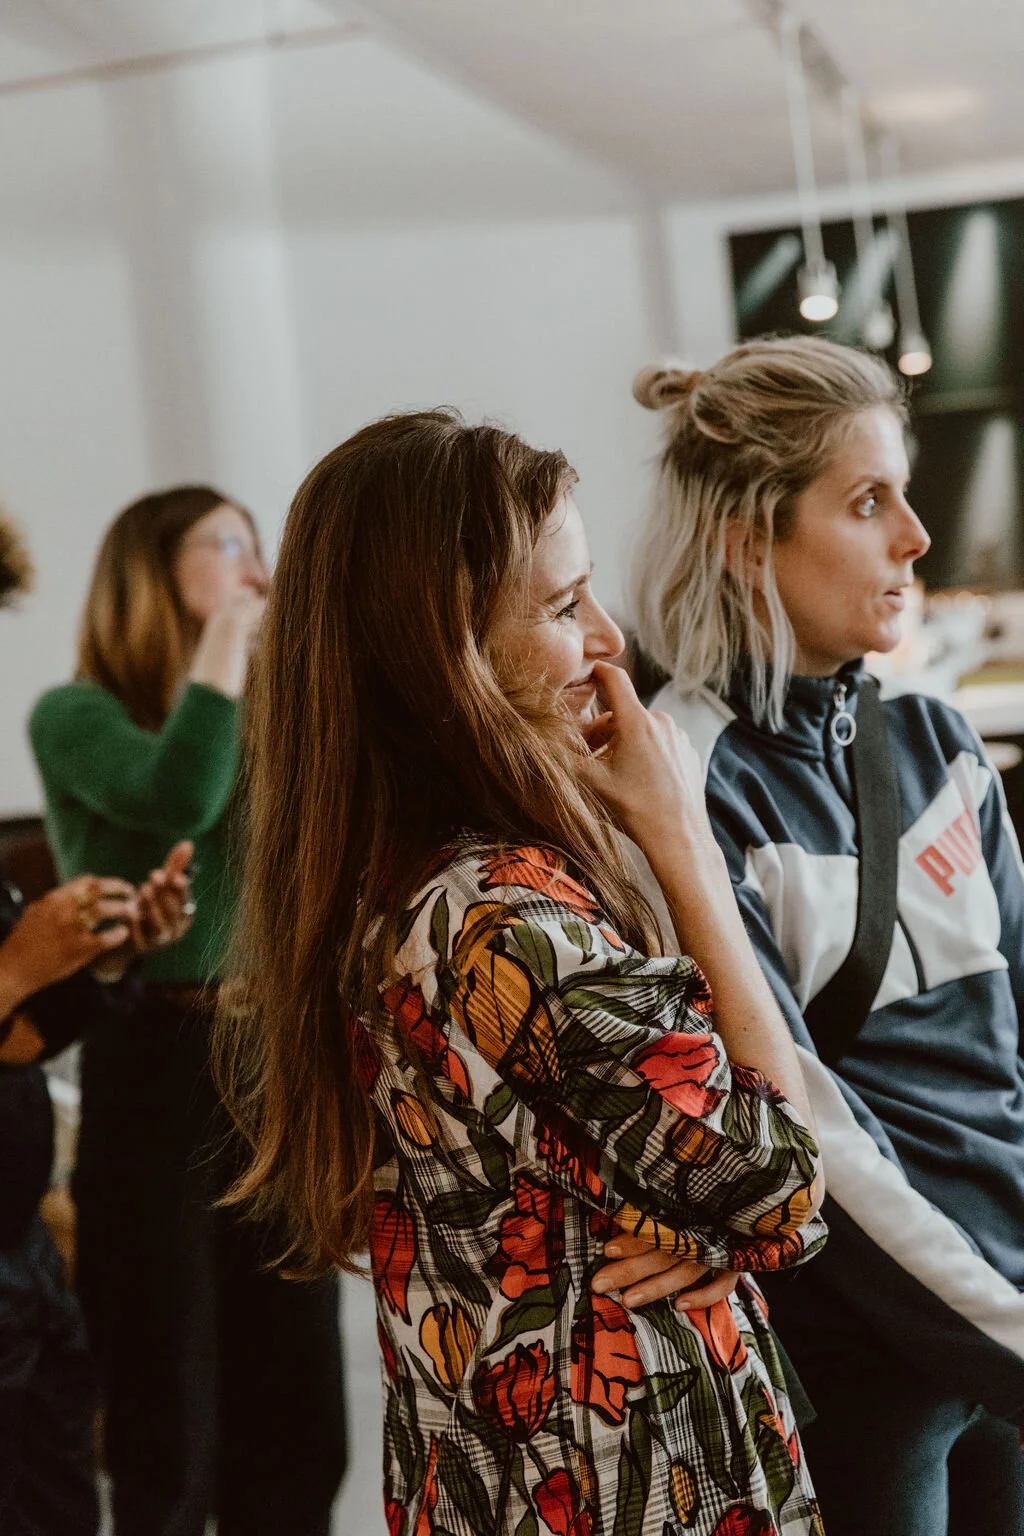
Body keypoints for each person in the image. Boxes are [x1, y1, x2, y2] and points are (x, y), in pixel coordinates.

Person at [214, 410, 828, 1536]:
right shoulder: (506, 919)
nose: (607, 640)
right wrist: (685, 848)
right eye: (558, 606)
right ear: (438, 652)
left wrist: (701, 1227)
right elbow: (783, 1184)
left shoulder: (399, 886)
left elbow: (573, 1187)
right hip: (618, 1482)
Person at [631, 335, 1024, 1536]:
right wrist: (1003, 1330)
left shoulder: (939, 742)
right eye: (866, 501)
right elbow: (806, 1128)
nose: (913, 534)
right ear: (750, 534)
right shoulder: (682, 778)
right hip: (863, 1356)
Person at [28, 488, 346, 1536]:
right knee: (172, 1407)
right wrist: (221, 645)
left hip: (267, 1052)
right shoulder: (75, 715)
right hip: (150, 1051)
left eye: (258, 546)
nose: (255, 565)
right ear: (149, 570)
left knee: (300, 1408)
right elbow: (179, 800)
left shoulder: (262, 706)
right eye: (228, 544)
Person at [0, 508, 195, 1535]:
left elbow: (17, 1041)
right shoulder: (78, 716)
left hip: (23, 1266)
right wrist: (20, 963)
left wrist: (112, 952)